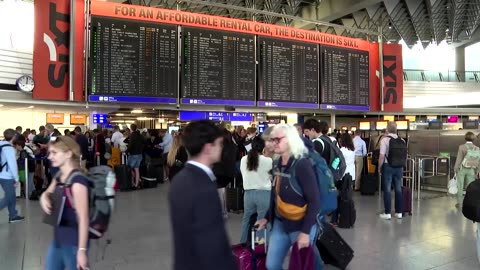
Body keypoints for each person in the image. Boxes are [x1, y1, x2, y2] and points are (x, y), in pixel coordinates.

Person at [169, 120, 237, 270]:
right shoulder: (204, 187)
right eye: (219, 143)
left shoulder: (180, 179)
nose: (222, 147)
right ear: (208, 148)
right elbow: (212, 244)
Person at [255, 124, 322, 270]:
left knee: (304, 265)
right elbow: (276, 194)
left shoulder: (302, 165)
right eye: (273, 139)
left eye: (278, 139)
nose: (274, 143)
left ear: (291, 140)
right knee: (272, 265)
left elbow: (314, 201)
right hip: (280, 223)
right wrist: (267, 217)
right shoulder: (278, 163)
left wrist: (305, 233)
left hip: (301, 225)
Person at [40, 136, 89, 270]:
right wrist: (44, 197)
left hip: (74, 241)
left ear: (68, 154)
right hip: (58, 239)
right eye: (50, 153)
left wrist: (82, 250)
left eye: (54, 153)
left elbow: (84, 219)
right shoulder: (60, 176)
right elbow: (47, 193)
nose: (50, 157)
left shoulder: (78, 182)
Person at [239, 136, 272, 243]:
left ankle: (243, 244)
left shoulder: (244, 159)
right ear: (263, 148)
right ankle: (259, 244)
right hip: (264, 194)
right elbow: (272, 176)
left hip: (248, 194)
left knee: (247, 220)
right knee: (262, 219)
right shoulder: (268, 160)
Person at [378, 121, 404, 220]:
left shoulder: (385, 140)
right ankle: (399, 212)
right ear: (396, 130)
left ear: (387, 129)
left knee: (387, 189)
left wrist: (379, 167)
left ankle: (387, 212)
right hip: (399, 167)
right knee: (398, 189)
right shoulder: (402, 140)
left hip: (388, 166)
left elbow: (381, 156)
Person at [213, 128, 239, 219]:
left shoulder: (219, 146)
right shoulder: (234, 146)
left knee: (220, 192)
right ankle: (224, 210)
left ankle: (222, 211)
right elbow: (236, 159)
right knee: (224, 191)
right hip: (229, 172)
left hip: (218, 171)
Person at [0, 129, 24, 223]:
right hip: (7, 176)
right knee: (9, 197)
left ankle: (13, 215)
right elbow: (12, 164)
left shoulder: (1, 145)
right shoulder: (9, 149)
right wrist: (17, 178)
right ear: (14, 137)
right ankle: (13, 215)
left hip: (1, 174)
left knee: (12, 196)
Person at [331, 133, 355, 225]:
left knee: (337, 197)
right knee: (347, 197)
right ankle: (346, 217)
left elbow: (337, 163)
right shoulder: (352, 150)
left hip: (342, 176)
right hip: (351, 175)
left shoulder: (341, 151)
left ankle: (334, 219)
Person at [454, 132, 480, 208]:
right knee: (470, 187)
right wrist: (478, 170)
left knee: (460, 186)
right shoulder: (477, 148)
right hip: (472, 169)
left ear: (465, 138)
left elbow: (459, 159)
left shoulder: (461, 147)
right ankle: (470, 203)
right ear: (473, 139)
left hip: (462, 169)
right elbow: (478, 161)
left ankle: (460, 204)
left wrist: (455, 169)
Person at [127, 124, 144, 189]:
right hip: (139, 154)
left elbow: (130, 145)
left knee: (129, 169)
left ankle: (132, 183)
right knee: (137, 170)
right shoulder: (140, 135)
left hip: (133, 154)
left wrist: (127, 151)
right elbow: (145, 141)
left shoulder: (132, 135)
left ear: (131, 128)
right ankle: (137, 184)